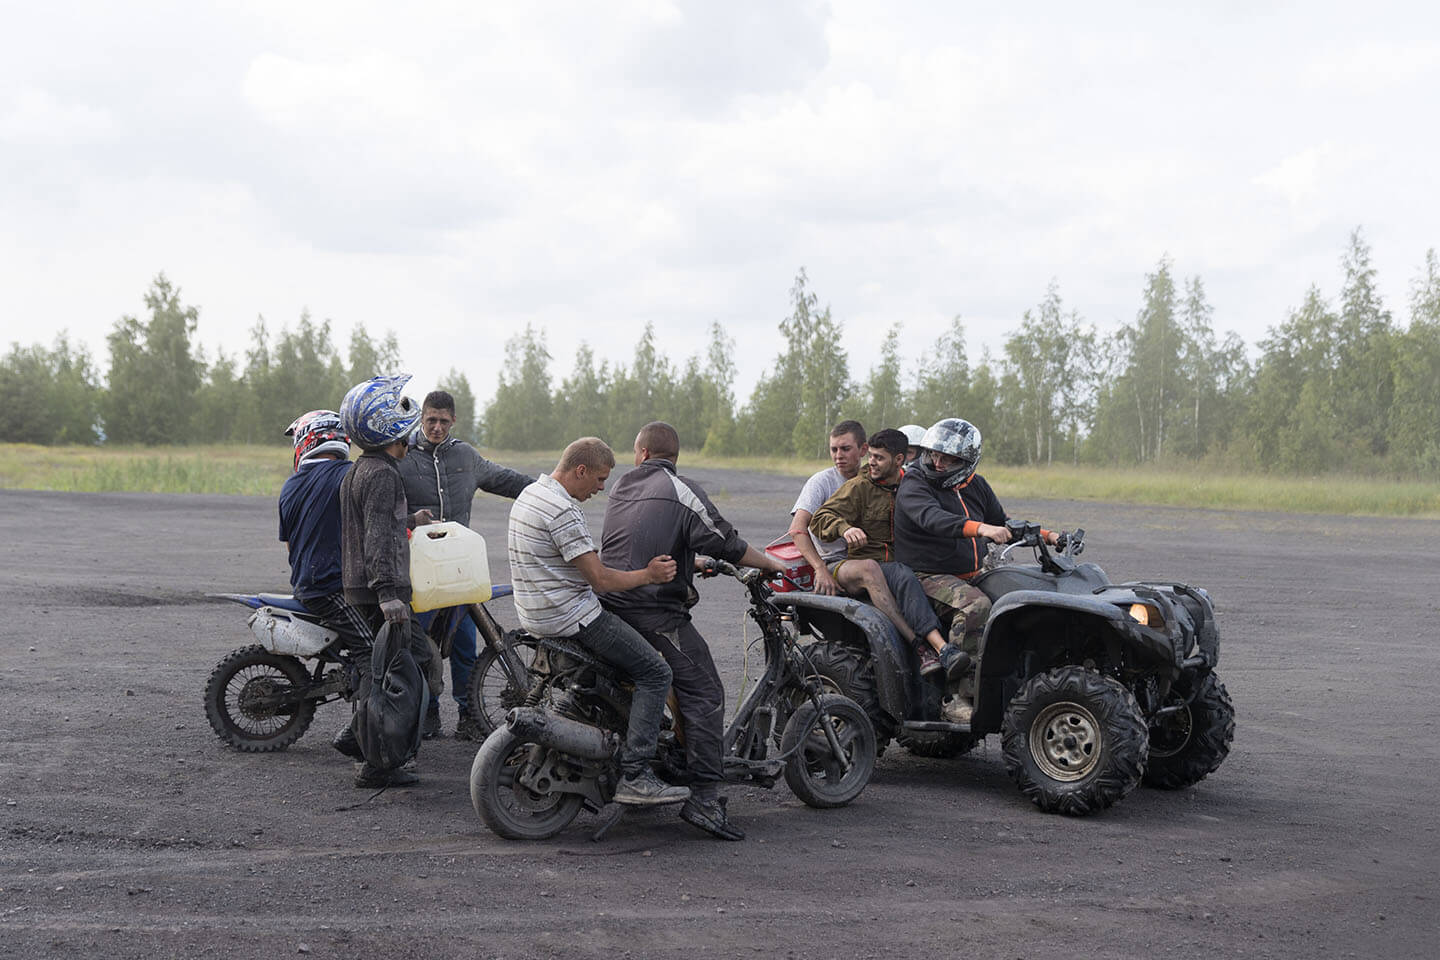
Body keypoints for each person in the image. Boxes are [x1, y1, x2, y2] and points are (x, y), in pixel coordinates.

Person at [600, 421, 786, 841]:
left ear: (641, 453)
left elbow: (644, 539)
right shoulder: (683, 490)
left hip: (614, 605)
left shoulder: (621, 486)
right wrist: (771, 564)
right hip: (654, 614)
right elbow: (726, 542)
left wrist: (691, 564)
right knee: (705, 691)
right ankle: (704, 798)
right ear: (671, 455)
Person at [508, 437, 689, 806]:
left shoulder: (531, 494)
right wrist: (650, 575)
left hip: (536, 614)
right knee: (656, 672)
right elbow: (601, 580)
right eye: (600, 479)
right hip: (571, 617)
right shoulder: (562, 510)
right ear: (580, 470)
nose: (602, 488)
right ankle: (637, 775)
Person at [894, 418, 1060, 722]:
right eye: (934, 455)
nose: (938, 463)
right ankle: (955, 697)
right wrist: (981, 528)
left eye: (948, 459)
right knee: (976, 605)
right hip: (925, 575)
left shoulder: (976, 485)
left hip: (972, 573)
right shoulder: (915, 483)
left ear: (967, 462)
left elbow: (1003, 521)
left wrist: (1049, 536)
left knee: (1019, 598)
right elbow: (931, 518)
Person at [397, 389, 533, 742]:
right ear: (421, 417)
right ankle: (426, 715)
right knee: (422, 646)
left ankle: (468, 715)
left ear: (453, 420)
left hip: (460, 571)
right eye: (431, 420)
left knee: (464, 645)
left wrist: (547, 490)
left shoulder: (465, 457)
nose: (437, 427)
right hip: (419, 572)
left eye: (443, 421)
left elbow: (507, 480)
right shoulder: (403, 457)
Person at [338, 374, 436, 788]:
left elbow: (377, 524)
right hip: (383, 592)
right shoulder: (382, 475)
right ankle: (378, 763)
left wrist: (410, 520)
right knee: (406, 671)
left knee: (391, 670)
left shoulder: (363, 468)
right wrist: (387, 595)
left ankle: (361, 740)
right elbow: (377, 535)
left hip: (367, 587)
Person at [807, 428, 966, 678]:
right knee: (889, 571)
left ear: (899, 460)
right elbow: (819, 520)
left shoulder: (911, 485)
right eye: (870, 455)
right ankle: (930, 647)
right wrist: (845, 528)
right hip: (856, 565)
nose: (871, 462)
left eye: (879, 458)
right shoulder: (859, 486)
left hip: (900, 565)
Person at [276, 410, 373, 760]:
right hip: (330, 589)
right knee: (372, 653)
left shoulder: (291, 485)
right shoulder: (348, 476)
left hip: (307, 583)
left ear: (308, 441)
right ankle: (358, 736)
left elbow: (289, 545)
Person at [787, 421, 925, 660]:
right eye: (834, 450)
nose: (838, 456)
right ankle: (908, 642)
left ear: (863, 450)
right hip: (837, 561)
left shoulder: (877, 479)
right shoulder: (822, 482)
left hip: (873, 557)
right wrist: (819, 568)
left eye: (845, 449)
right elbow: (798, 530)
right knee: (871, 570)